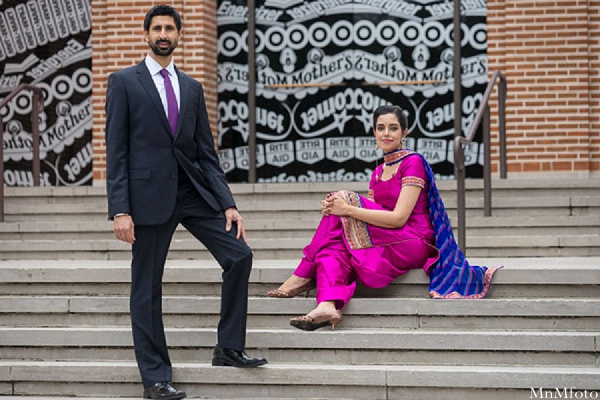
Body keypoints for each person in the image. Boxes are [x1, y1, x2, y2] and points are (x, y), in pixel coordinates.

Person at [105, 5, 267, 399]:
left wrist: (227, 203)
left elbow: (206, 153)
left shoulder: (192, 88)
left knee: (239, 255)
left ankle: (228, 347)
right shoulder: (124, 81)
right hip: (146, 198)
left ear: (179, 35)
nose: (163, 33)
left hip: (193, 192)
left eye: (169, 28)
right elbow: (117, 151)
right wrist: (120, 209)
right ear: (146, 34)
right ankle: (155, 377)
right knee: (147, 287)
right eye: (157, 28)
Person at [267, 104, 501, 331]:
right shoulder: (378, 172)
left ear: (404, 132)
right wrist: (337, 210)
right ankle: (328, 305)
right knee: (333, 248)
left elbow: (398, 218)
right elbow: (372, 214)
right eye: (380, 128)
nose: (386, 133)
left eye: (393, 128)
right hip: (387, 237)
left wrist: (345, 208)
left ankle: (303, 274)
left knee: (343, 201)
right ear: (374, 132)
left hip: (414, 241)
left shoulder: (413, 163)